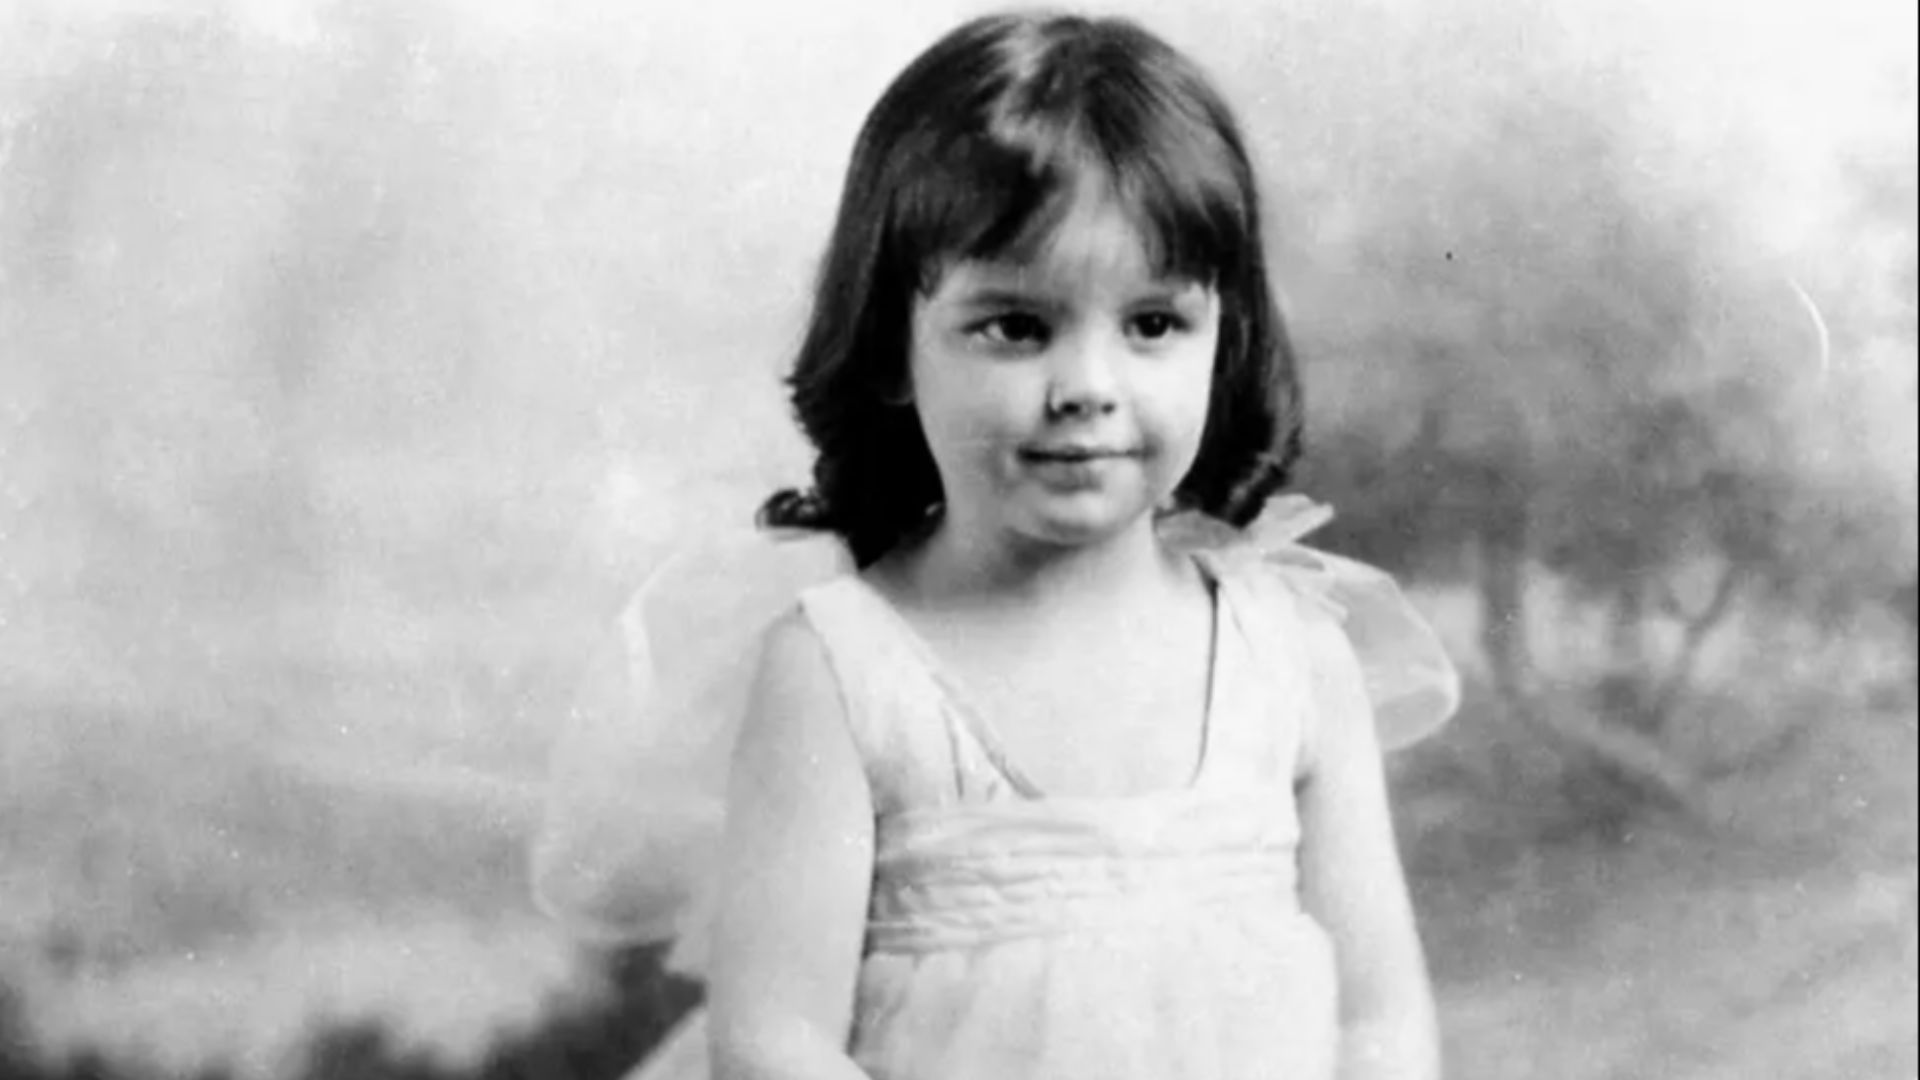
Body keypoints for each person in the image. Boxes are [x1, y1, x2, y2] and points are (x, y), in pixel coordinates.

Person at [533, 11, 1461, 1080]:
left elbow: (1378, 1022)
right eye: (1017, 326)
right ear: (892, 348)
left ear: (1225, 341)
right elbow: (774, 1041)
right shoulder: (843, 673)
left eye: (1154, 324)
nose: (1088, 388)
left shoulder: (1294, 661)